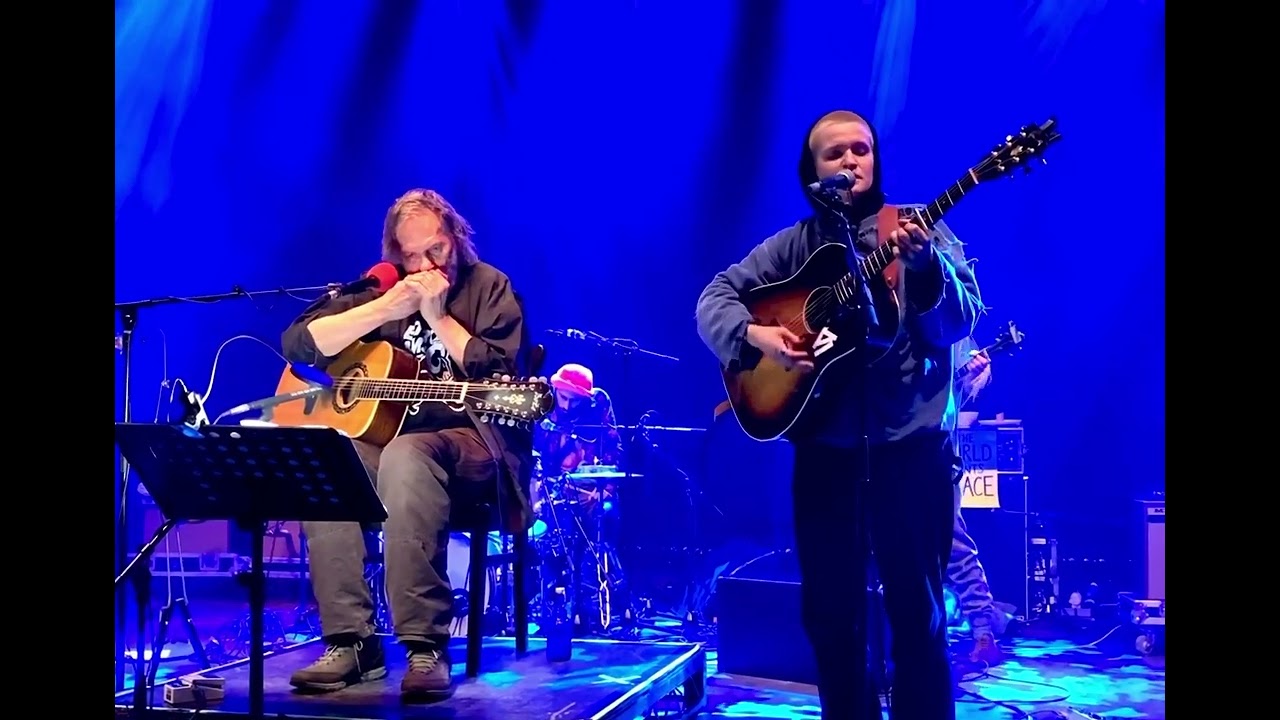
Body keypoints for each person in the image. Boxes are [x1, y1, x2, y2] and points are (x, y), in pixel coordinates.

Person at [695, 110, 983, 719]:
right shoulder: (795, 246)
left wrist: (927, 267)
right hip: (826, 453)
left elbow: (958, 322)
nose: (850, 161)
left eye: (861, 150)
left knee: (919, 612)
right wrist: (758, 335)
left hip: (911, 449)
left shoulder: (912, 230)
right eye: (834, 154)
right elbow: (713, 298)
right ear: (812, 173)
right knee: (830, 614)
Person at [279, 188, 532, 700]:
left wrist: (438, 318)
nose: (422, 265)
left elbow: (502, 372)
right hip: (389, 440)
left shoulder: (488, 287)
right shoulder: (383, 288)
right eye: (409, 254)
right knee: (332, 459)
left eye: (434, 250)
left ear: (456, 239)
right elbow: (298, 344)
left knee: (406, 456)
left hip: (473, 440)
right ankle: (351, 641)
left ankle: (425, 644)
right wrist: (382, 309)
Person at [948, 338, 1006, 666]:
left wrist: (974, 374)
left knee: (954, 544)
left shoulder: (955, 330)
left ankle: (984, 631)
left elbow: (967, 388)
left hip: (938, 452)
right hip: (891, 453)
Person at [534, 363, 623, 474]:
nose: (567, 406)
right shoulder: (542, 403)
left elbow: (612, 446)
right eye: (563, 397)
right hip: (545, 478)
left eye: (574, 400)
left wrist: (608, 485)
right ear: (555, 389)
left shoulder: (598, 403)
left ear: (585, 398)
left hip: (584, 483)